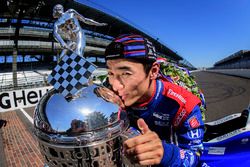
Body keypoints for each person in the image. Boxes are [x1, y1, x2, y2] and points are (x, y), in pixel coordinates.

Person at [104, 34, 205, 166]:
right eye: (111, 73)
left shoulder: (183, 104)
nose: (115, 86)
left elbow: (195, 157)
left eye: (126, 74)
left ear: (153, 71)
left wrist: (165, 153)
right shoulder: (107, 95)